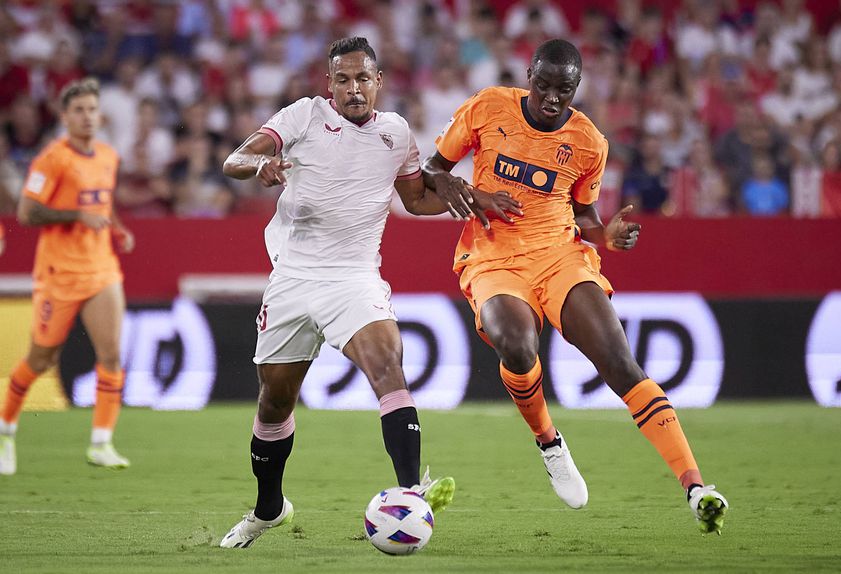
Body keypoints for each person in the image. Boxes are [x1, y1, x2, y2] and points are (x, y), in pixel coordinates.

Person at [422, 39, 729, 534]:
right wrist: (476, 195)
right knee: (516, 344)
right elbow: (432, 170)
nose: (550, 97)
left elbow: (585, 215)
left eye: (562, 90)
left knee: (620, 363)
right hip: (494, 257)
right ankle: (549, 442)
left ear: (576, 88)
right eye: (542, 85)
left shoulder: (588, 142)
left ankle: (696, 488)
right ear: (529, 75)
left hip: (559, 256)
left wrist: (605, 235)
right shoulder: (487, 107)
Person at [217, 37, 503, 549]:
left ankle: (412, 493)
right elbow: (234, 159)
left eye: (362, 78)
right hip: (294, 276)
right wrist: (258, 167)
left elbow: (415, 199)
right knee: (274, 402)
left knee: (388, 366)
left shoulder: (396, 133)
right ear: (329, 84)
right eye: (343, 79)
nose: (353, 88)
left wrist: (468, 195)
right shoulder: (304, 115)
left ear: (378, 82)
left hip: (355, 278)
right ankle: (268, 509)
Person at [0, 78, 135, 476]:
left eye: (92, 109)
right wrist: (76, 215)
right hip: (59, 273)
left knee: (111, 355)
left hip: (101, 268)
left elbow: (102, 203)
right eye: (79, 110)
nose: (87, 116)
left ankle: (101, 443)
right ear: (64, 117)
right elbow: (27, 212)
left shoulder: (107, 156)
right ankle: (6, 430)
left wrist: (116, 228)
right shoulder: (52, 159)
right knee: (41, 359)